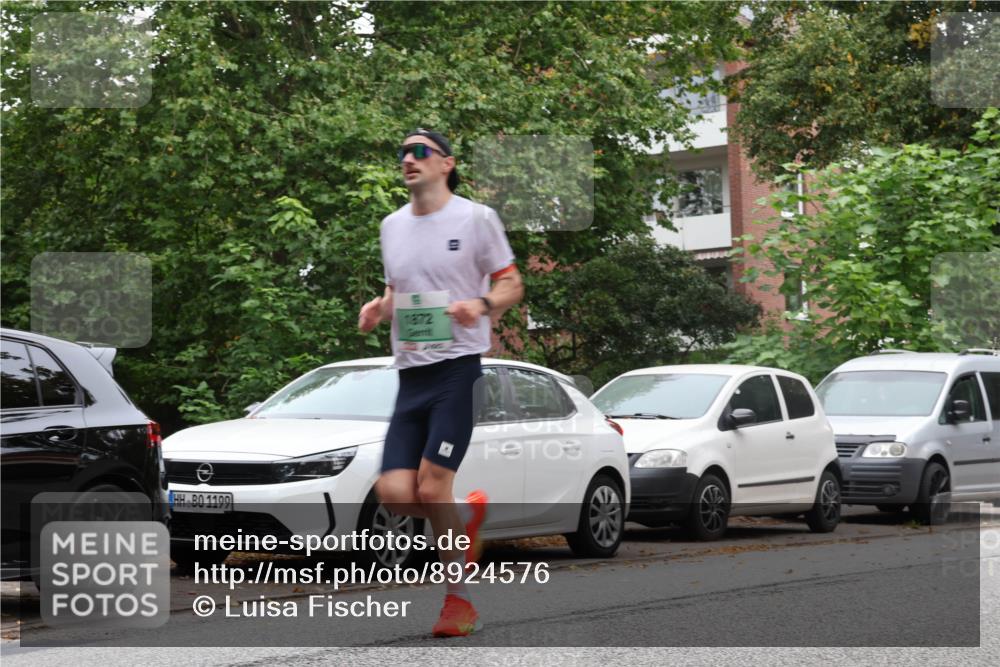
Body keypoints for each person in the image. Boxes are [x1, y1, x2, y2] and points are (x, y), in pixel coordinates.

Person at [357, 128, 524, 637]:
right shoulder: (391, 226)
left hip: (458, 370)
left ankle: (459, 602)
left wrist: (483, 304)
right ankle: (465, 520)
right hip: (410, 374)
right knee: (395, 494)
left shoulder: (476, 218)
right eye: (402, 151)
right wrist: (379, 307)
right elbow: (397, 288)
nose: (408, 158)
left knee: (432, 486)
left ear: (446, 163)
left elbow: (512, 282)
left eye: (419, 151)